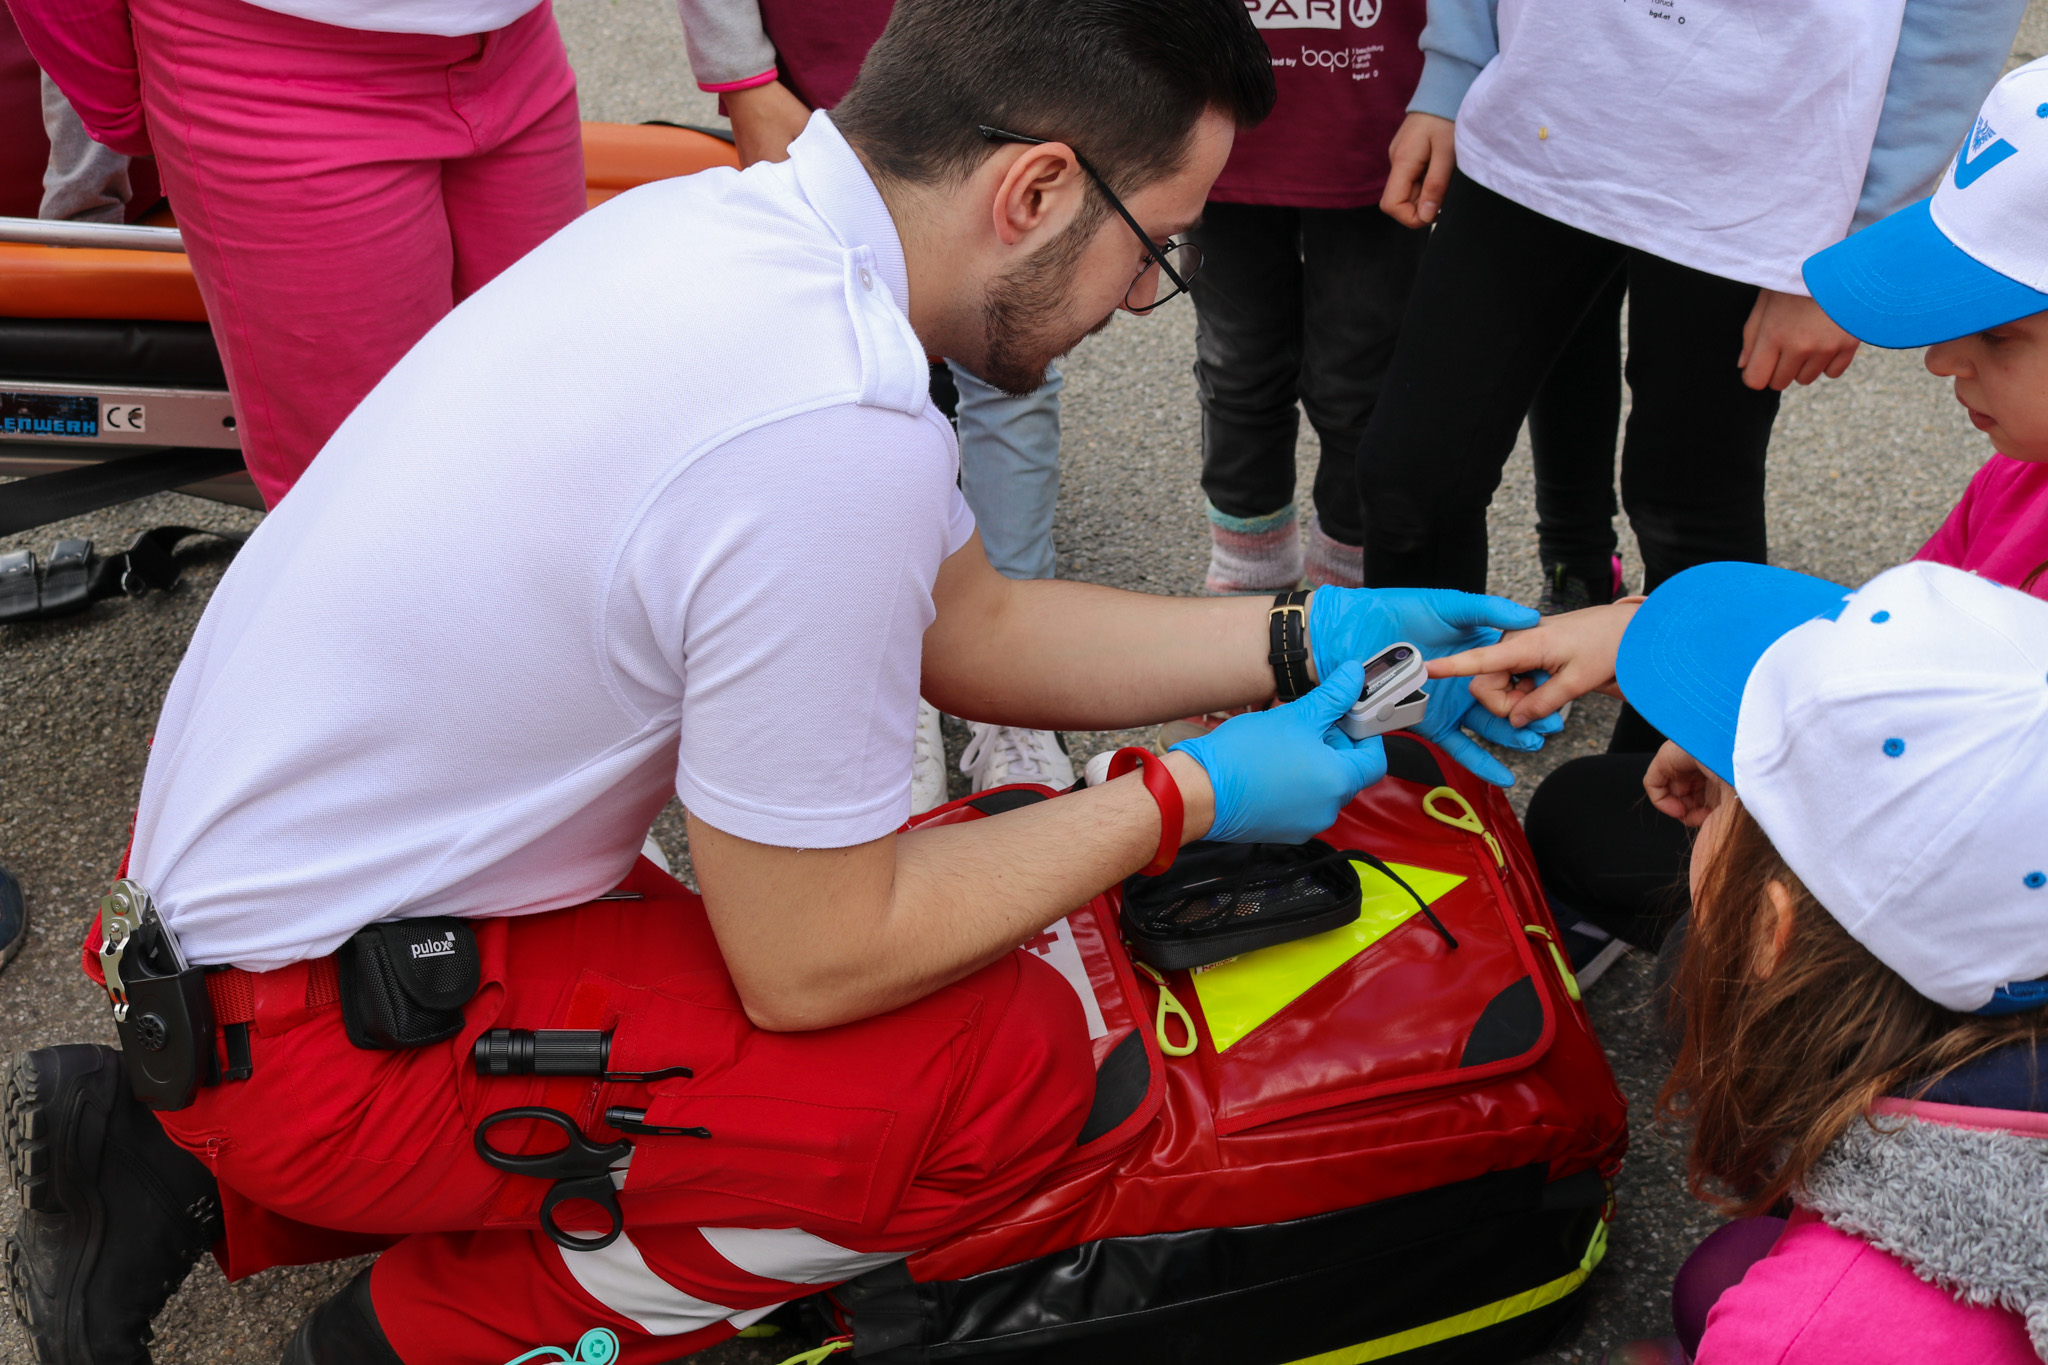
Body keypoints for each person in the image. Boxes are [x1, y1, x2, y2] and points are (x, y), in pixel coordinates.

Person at [1, 4, 1557, 1362]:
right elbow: (813, 958)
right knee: (1012, 1074)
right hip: (322, 1034)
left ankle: (171, 1166)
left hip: (269, 947)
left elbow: (972, 624)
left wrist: (1302, 639)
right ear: (1033, 191)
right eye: (1157, 250)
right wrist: (1188, 794)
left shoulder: (731, 229)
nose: (1141, 302)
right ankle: (422, 1340)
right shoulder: (823, 423)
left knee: (973, 891)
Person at [1455, 53, 2048, 967]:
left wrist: (1768, 751)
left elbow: (1968, 800)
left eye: (2001, 334)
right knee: (1594, 805)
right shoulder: (2017, 474)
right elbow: (1874, 645)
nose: (1942, 361)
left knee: (1606, 831)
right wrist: (1754, 751)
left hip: (1981, 932)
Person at [1360, 0, 2027, 752]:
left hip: (1760, 171)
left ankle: (1651, 818)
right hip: (1537, 119)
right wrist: (1452, 72)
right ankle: (1409, 777)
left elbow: (1961, 15)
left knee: (1689, 510)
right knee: (1408, 480)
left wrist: (1857, 235)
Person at [1587, 556, 2046, 1364]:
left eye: (1727, 793)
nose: (1705, 796)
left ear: (1772, 935)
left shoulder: (1803, 1336)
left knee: (1725, 1287)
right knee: (1715, 1276)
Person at [679, 0, 1077, 800]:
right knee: (848, 360)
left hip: (1007, 82)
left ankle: (1015, 671)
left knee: (1008, 361)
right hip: (817, 90)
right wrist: (744, 77)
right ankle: (893, 670)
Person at [8, 0, 588, 508]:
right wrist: (125, 107)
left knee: (545, 428)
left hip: (517, 44)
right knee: (363, 490)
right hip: (265, 59)